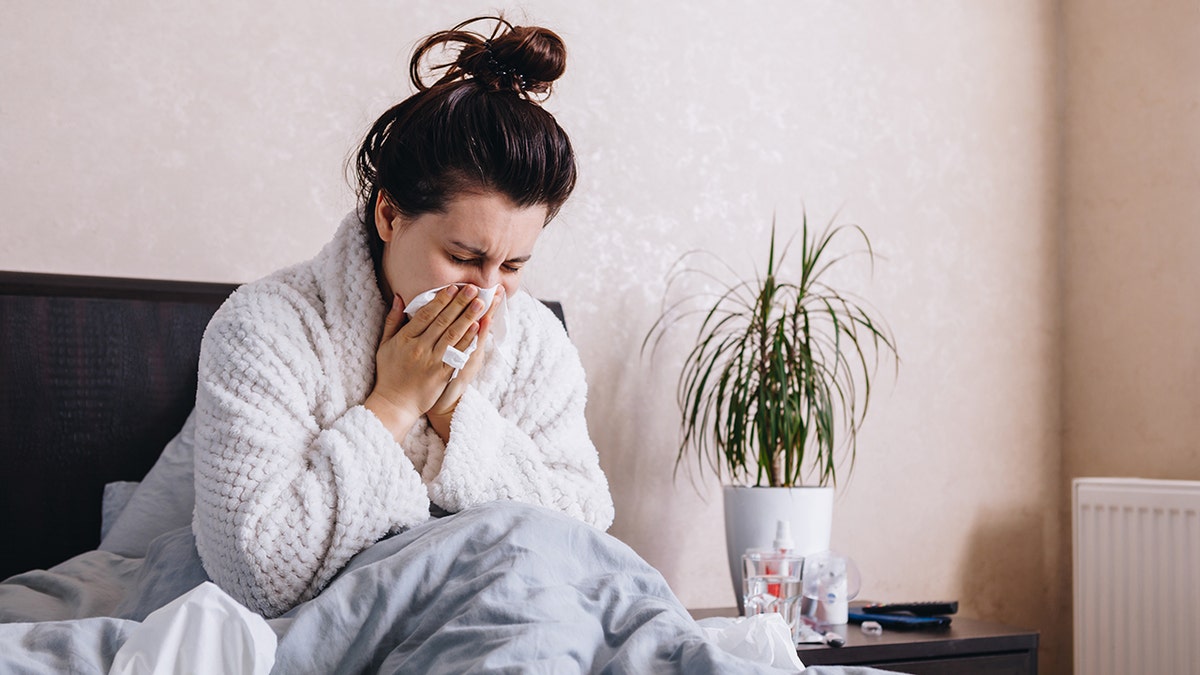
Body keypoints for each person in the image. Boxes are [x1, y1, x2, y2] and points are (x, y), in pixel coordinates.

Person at [191, 15, 615, 619]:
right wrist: (395, 403)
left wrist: (453, 414)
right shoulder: (265, 328)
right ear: (389, 216)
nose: (488, 291)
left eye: (514, 265)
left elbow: (585, 540)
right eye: (464, 257)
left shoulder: (536, 343)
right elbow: (255, 578)